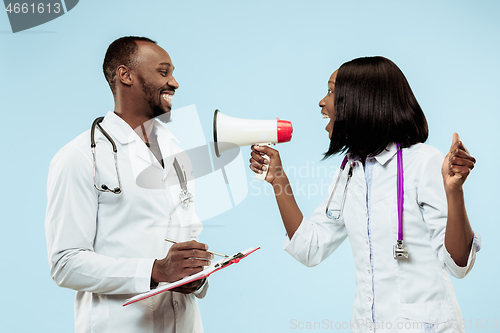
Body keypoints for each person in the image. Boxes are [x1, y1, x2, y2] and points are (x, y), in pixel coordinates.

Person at [250, 56, 480, 332]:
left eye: (332, 91)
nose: (323, 102)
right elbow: (310, 248)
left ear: (362, 100)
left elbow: (458, 265)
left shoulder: (423, 163)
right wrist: (278, 179)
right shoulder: (350, 171)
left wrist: (454, 192)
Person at [45, 36, 213, 333]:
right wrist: (156, 270)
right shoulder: (81, 156)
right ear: (126, 75)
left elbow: (189, 235)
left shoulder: (178, 152)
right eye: (164, 72)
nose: (174, 83)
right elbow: (65, 263)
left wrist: (196, 274)